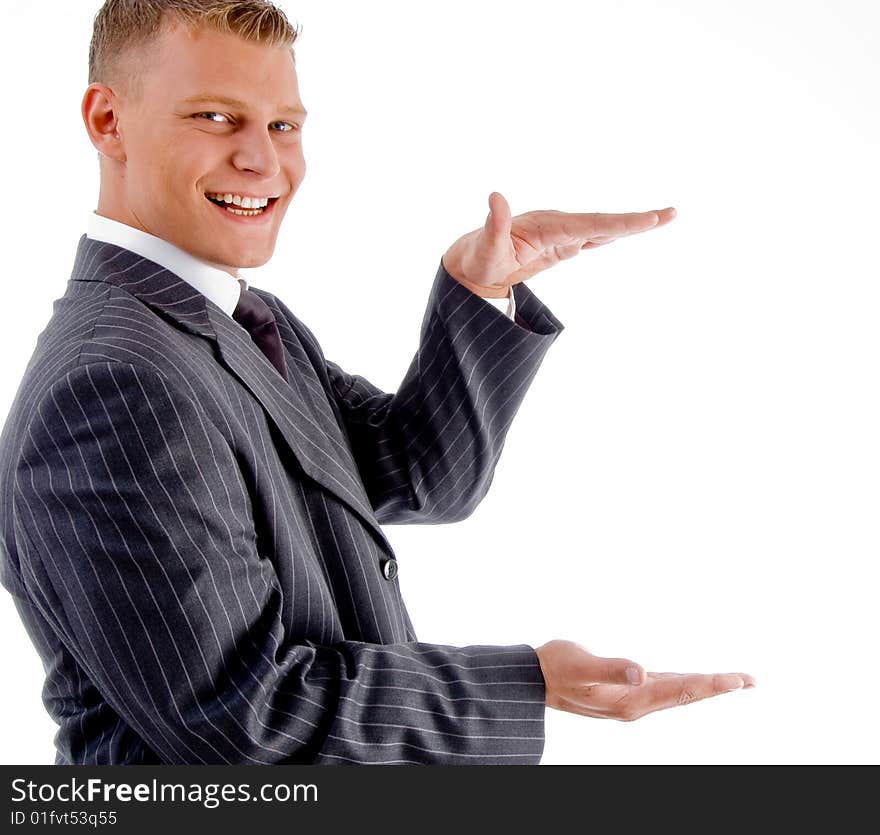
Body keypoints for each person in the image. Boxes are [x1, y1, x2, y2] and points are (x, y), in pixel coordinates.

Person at [0, 0, 754, 765]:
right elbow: (249, 716)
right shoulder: (114, 386)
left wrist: (479, 293)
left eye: (284, 125)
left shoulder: (240, 319)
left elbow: (416, 473)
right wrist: (527, 683)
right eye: (216, 117)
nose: (264, 161)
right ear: (107, 121)